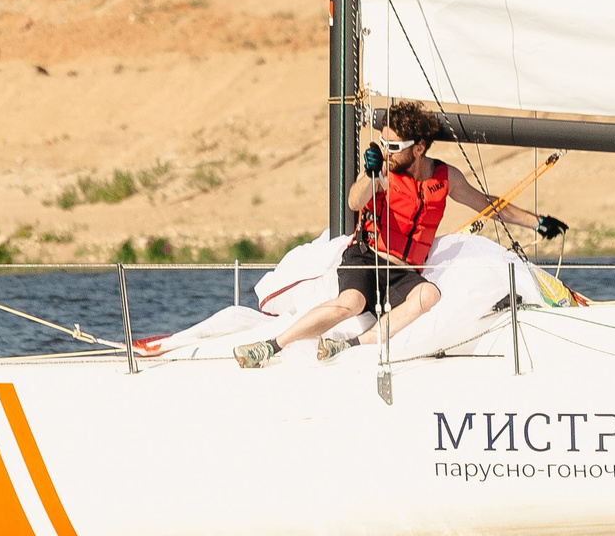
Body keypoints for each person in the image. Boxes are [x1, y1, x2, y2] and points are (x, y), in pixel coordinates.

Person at [234, 101, 565, 367]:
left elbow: (488, 204)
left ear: (418, 148)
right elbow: (354, 199)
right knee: (351, 303)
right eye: (383, 143)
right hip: (366, 257)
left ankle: (347, 346)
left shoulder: (446, 176)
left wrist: (537, 222)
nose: (387, 150)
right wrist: (371, 171)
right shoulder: (385, 174)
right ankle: (270, 347)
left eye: (394, 146)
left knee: (429, 296)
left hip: (404, 271)